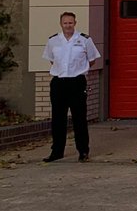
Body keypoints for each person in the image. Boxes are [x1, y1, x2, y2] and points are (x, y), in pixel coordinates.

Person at [41, 11, 102, 163]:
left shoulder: (84, 40)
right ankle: (57, 151)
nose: (68, 25)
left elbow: (92, 60)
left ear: (75, 23)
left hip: (77, 82)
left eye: (70, 22)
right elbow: (52, 60)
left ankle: (83, 151)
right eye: (65, 23)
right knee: (58, 119)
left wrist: (78, 69)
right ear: (61, 24)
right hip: (59, 82)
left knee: (79, 118)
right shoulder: (53, 41)